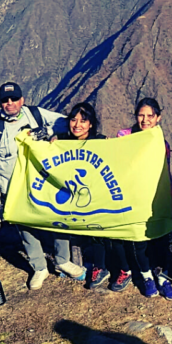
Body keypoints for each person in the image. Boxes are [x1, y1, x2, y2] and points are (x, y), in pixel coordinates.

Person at [0, 82, 85, 290]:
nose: (10, 103)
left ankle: (63, 260)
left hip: (43, 182)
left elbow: (68, 123)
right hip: (14, 188)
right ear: (0, 103)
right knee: (25, 229)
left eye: (14, 99)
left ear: (22, 100)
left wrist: (44, 131)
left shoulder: (36, 114)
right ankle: (40, 267)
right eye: (5, 100)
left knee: (57, 217)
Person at [115, 97, 172, 300]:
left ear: (158, 118)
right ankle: (146, 276)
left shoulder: (162, 143)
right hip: (133, 198)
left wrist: (171, 198)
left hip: (157, 198)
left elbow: (165, 174)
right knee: (139, 241)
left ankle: (163, 277)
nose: (145, 120)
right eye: (141, 115)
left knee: (161, 240)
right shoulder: (124, 137)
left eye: (150, 116)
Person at [54, 102, 119, 290]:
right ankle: (93, 266)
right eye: (73, 120)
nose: (77, 125)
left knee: (100, 231)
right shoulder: (62, 142)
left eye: (83, 120)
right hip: (72, 199)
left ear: (91, 124)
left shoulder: (100, 141)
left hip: (98, 196)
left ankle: (107, 266)